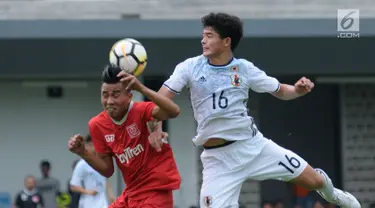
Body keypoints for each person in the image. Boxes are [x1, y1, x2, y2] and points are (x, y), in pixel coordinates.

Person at [148, 12, 361, 208]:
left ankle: (336, 196)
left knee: (314, 181)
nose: (203, 41)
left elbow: (280, 91)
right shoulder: (189, 67)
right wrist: (155, 128)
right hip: (217, 159)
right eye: (203, 35)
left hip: (253, 147)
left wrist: (297, 90)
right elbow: (160, 101)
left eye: (209, 36)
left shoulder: (244, 69)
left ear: (226, 41)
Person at [68, 64, 181, 208]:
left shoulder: (141, 110)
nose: (109, 101)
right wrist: (83, 152)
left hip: (156, 192)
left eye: (115, 94)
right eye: (105, 95)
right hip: (131, 194)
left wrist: (141, 88)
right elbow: (108, 170)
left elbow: (174, 111)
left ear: (129, 96)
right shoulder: (97, 125)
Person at [69, 134, 116, 208]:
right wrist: (88, 191)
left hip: (103, 203)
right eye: (91, 145)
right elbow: (73, 186)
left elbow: (106, 181)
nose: (94, 148)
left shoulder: (101, 162)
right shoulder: (81, 164)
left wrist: (111, 197)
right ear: (88, 145)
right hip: (88, 204)